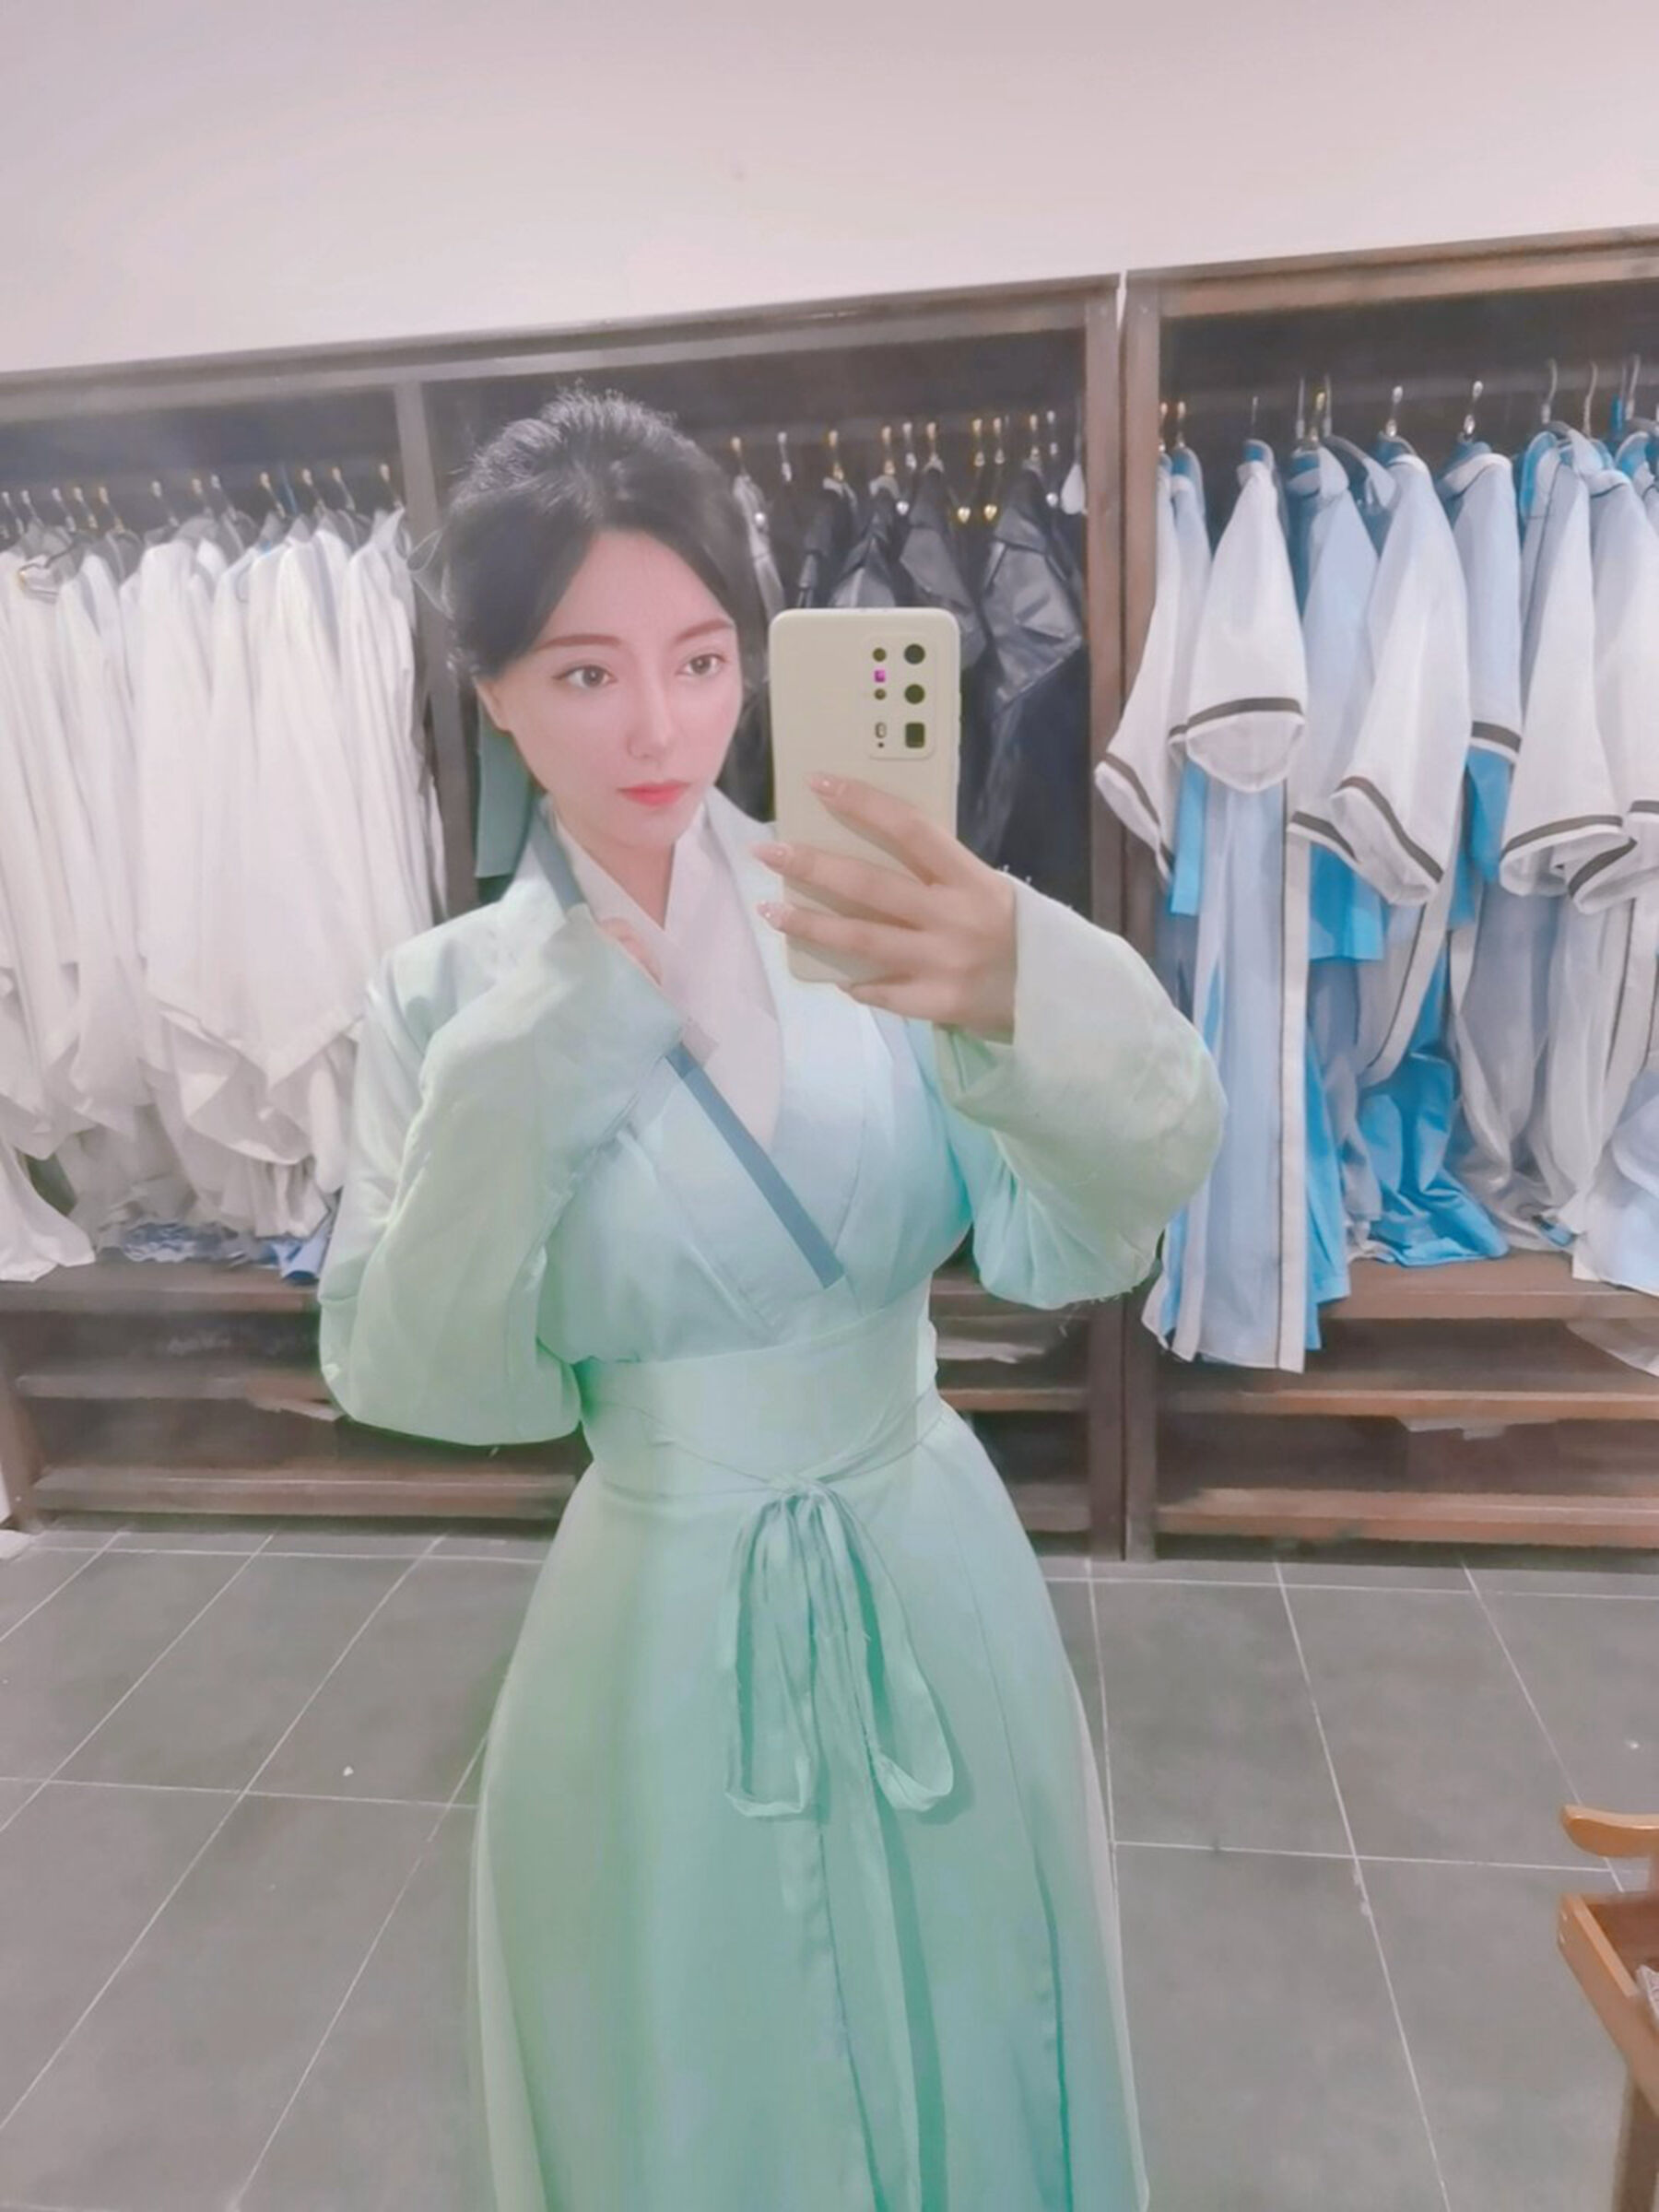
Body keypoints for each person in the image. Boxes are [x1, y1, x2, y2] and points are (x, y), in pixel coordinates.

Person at [317, 389, 1223, 2212]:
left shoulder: (880, 920)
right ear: (492, 692)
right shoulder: (445, 1002)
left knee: (986, 2007)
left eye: (701, 658)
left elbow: (1081, 1235)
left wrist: (1031, 987)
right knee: (693, 2061)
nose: (660, 727)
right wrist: (521, 1080)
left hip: (928, 1563)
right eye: (584, 674)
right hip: (657, 1622)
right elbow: (423, 1374)